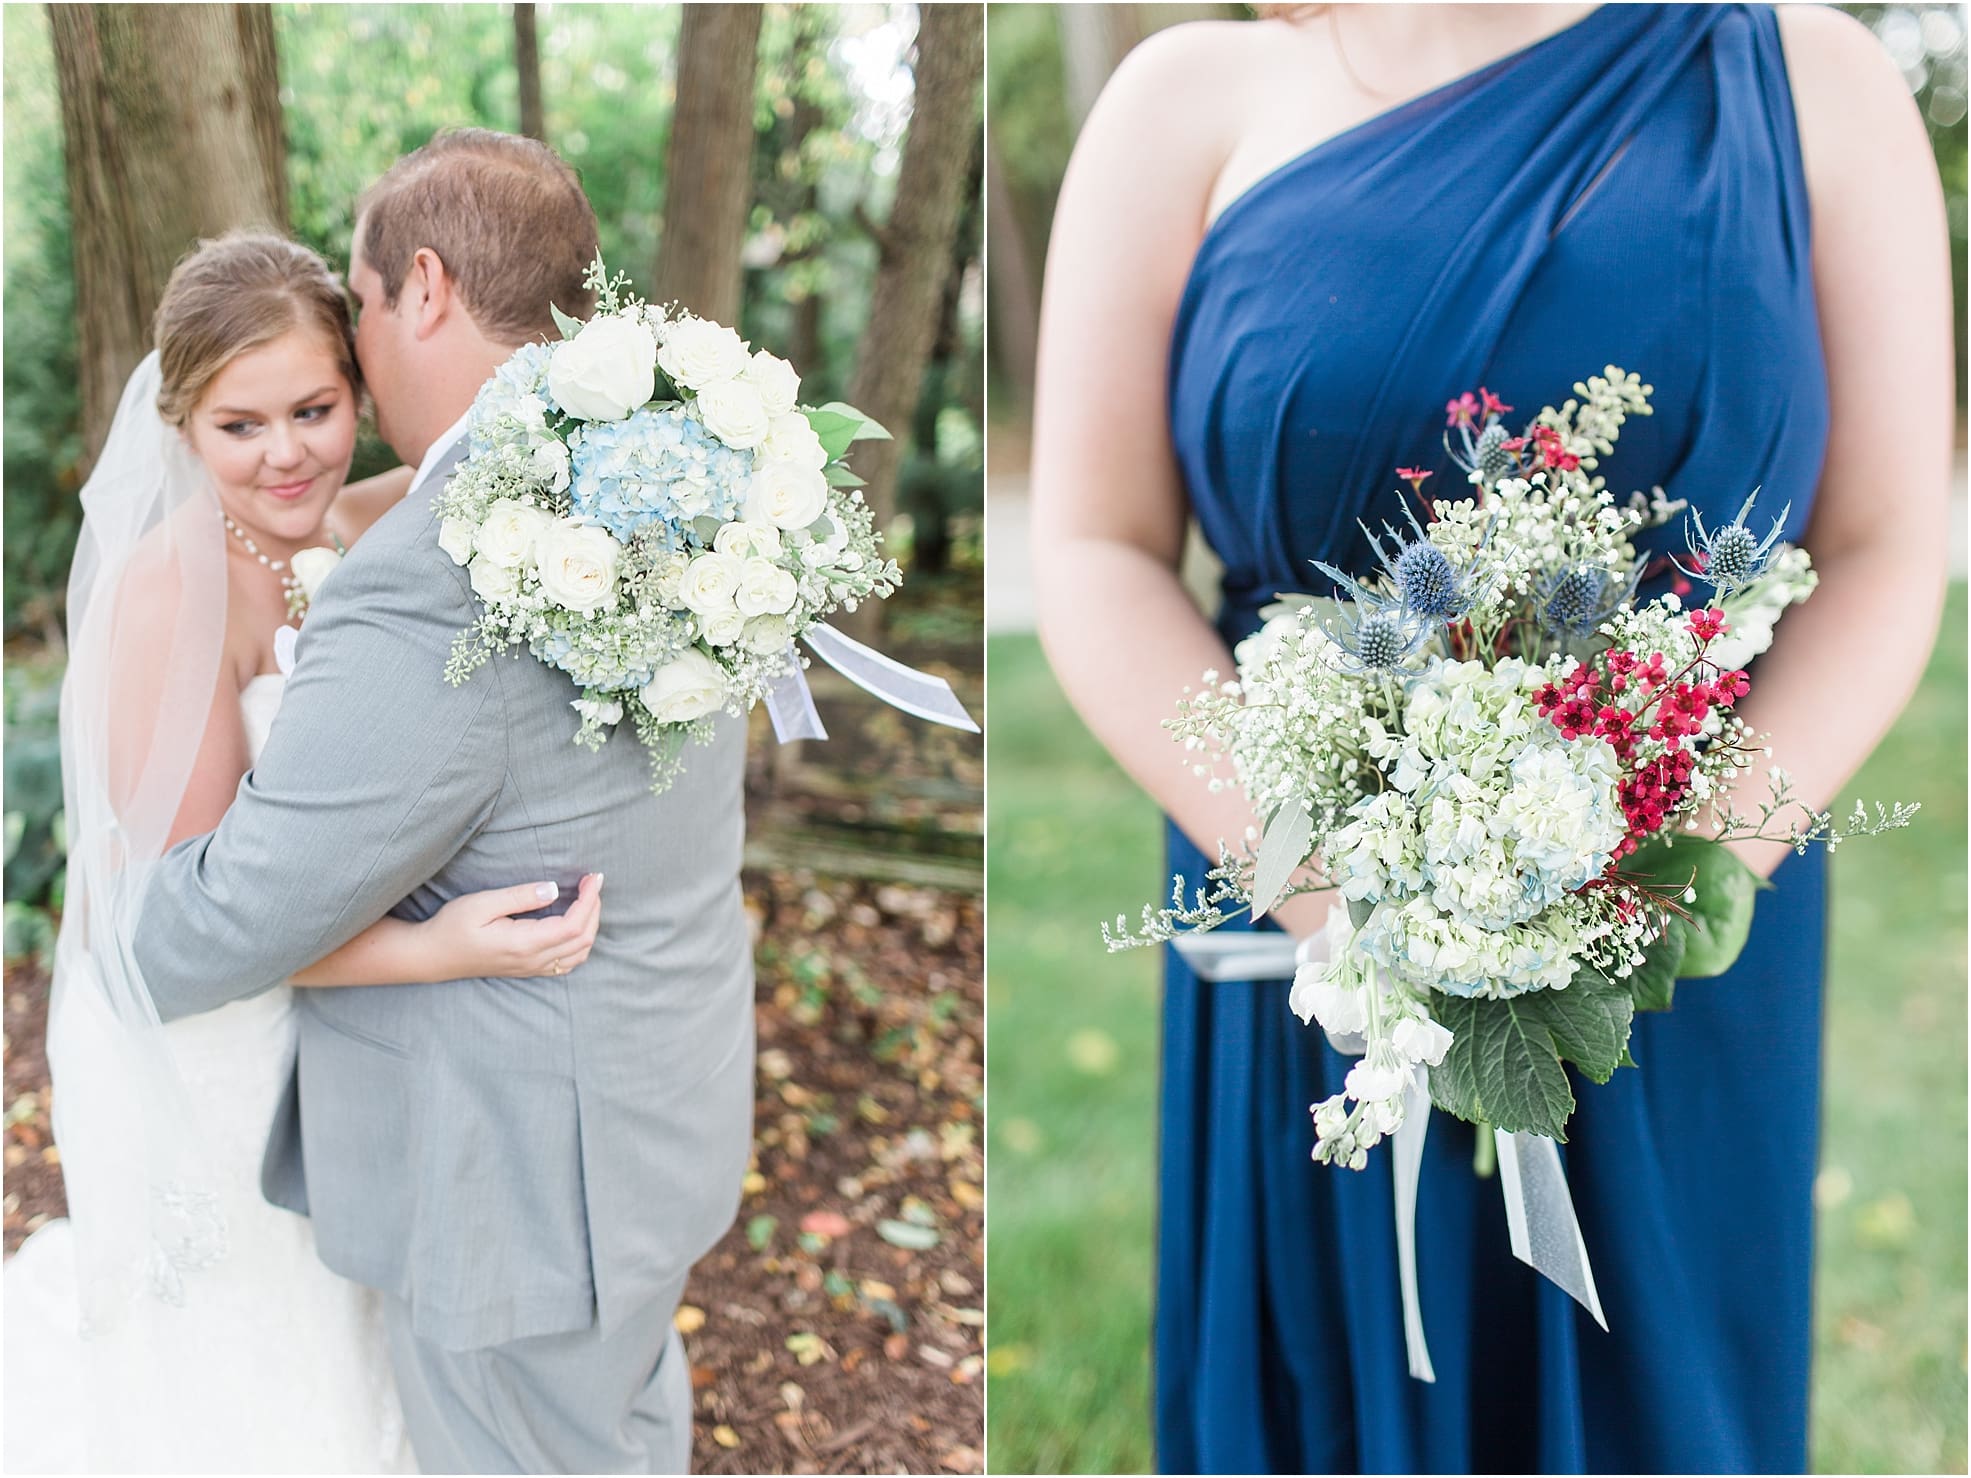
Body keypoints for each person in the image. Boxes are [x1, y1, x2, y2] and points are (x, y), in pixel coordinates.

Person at [1030, 3, 1950, 1472]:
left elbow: (1891, 540)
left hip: (1677, 934)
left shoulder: (1810, 77)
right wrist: (1339, 886)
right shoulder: (1187, 98)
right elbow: (1089, 543)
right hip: (1306, 908)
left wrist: (1675, 870)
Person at [122, 128, 757, 1475]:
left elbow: (198, 929)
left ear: (422, 286)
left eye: (354, 306)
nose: (350, 352)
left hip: (524, 1183)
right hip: (656, 1100)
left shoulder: (434, 569)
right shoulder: (668, 464)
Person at [3, 229, 605, 1474]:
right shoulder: (176, 596)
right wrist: (437, 948)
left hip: (318, 1017)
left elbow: (478, 472)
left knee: (342, 1304)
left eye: (317, 408)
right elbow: (194, 933)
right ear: (181, 425)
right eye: (241, 426)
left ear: (359, 390)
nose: (287, 453)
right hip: (202, 1043)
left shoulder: (345, 520)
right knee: (247, 1327)